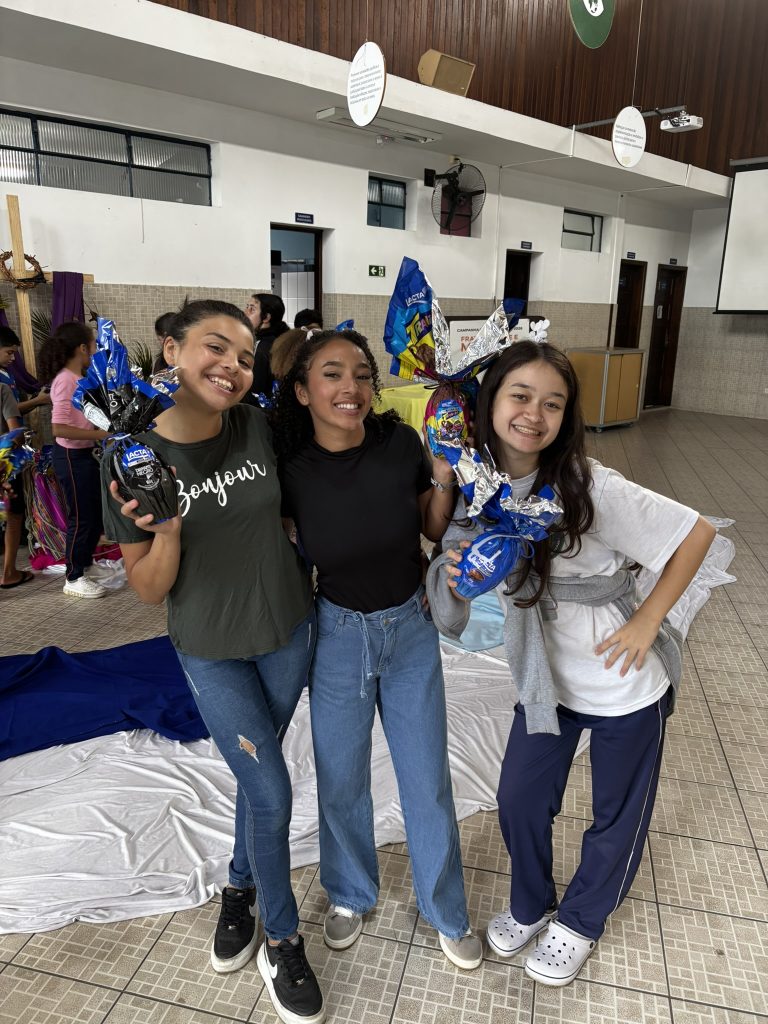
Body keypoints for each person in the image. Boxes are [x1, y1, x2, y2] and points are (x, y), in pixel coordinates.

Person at [427, 340, 715, 987]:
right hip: (545, 681)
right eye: (520, 396)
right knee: (519, 800)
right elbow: (456, 555)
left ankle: (582, 920)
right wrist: (455, 573)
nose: (534, 414)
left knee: (616, 816)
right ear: (489, 401)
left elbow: (695, 534)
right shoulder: (479, 485)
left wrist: (646, 620)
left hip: (623, 686)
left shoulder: (588, 483)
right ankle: (532, 903)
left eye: (553, 403)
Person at [101, 300, 325, 1024]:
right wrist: (167, 531)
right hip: (210, 647)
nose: (233, 366)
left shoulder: (257, 426)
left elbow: (289, 510)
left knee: (257, 782)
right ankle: (282, 941)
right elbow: (146, 589)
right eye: (215, 346)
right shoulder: (130, 457)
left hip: (289, 629)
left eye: (246, 356)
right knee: (273, 790)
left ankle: (238, 886)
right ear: (171, 350)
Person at [274, 329, 482, 971]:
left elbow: (430, 525)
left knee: (427, 778)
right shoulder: (290, 469)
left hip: (411, 628)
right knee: (341, 779)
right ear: (303, 391)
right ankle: (349, 892)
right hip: (338, 636)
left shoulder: (400, 444)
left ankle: (445, 908)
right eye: (333, 374)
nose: (352, 388)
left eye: (363, 374)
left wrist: (443, 479)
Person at [38, 322, 110, 599]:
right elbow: (59, 428)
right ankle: (74, 577)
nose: (94, 351)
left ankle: (85, 564)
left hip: (84, 453)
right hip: (70, 456)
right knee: (80, 517)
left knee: (92, 514)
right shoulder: (65, 380)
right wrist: (100, 434)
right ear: (82, 348)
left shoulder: (78, 377)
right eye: (92, 346)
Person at [0, 381, 32, 589]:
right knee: (13, 515)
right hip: (3, 465)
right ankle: (8, 573)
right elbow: (14, 433)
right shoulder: (2, 388)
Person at [0, 325, 52, 417]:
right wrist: (37, 400)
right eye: (9, 353)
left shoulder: (8, 374)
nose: (13, 358)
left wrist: (38, 400)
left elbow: (16, 411)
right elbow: (7, 409)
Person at [246, 294, 290, 400]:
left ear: (266, 317)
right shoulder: (280, 340)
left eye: (252, 309)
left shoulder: (263, 347)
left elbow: (255, 391)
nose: (245, 312)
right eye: (247, 307)